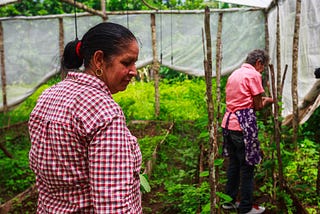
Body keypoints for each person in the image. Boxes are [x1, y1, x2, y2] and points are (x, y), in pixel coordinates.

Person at [28, 22, 142, 213]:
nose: (134, 71)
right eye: (126, 62)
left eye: (135, 63)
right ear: (99, 60)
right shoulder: (103, 111)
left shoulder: (48, 95)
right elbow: (112, 205)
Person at [221, 49, 273, 214]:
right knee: (247, 166)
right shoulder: (254, 75)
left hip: (228, 123)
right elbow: (257, 105)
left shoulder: (234, 74)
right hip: (242, 125)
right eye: (262, 67)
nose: (262, 70)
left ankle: (228, 202)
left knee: (234, 165)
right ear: (258, 63)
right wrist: (269, 101)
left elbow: (238, 99)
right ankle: (245, 207)